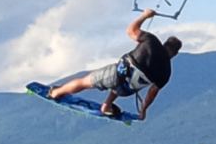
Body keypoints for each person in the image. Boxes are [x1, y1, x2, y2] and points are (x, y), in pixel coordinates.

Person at [49, 9, 182, 120]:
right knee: (125, 80)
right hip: (126, 91)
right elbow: (151, 94)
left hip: (115, 75)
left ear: (165, 43)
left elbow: (131, 30)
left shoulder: (152, 41)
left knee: (84, 82)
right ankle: (107, 105)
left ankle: (56, 93)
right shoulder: (166, 73)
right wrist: (143, 111)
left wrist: (145, 16)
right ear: (175, 54)